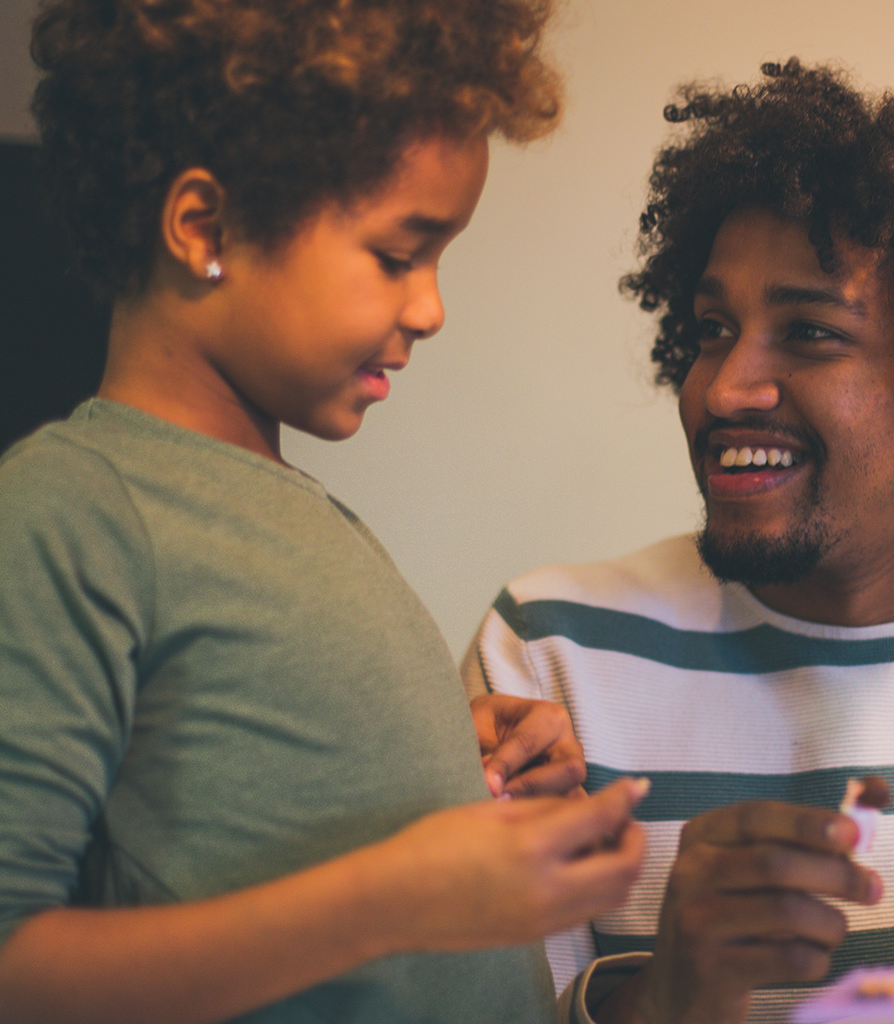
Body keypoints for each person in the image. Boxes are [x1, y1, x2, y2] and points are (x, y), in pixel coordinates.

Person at [0, 3, 650, 1024]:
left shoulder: (294, 511)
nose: (431, 309)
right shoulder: (74, 509)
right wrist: (398, 896)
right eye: (398, 255)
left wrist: (440, 763)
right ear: (205, 229)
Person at [462, 58, 894, 1024]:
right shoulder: (552, 656)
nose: (725, 387)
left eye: (810, 332)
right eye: (712, 328)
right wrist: (667, 997)